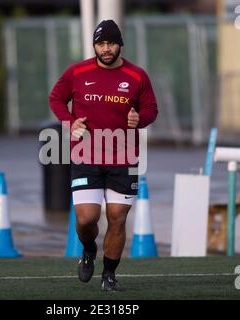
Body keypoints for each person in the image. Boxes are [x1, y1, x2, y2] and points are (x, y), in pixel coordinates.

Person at [49, 19, 158, 291]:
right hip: (86, 156)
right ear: (95, 46)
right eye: (100, 43)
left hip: (124, 158)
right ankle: (88, 250)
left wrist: (139, 119)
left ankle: (109, 275)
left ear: (120, 44)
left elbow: (151, 109)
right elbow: (56, 98)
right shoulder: (77, 72)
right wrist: (69, 122)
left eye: (110, 43)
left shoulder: (137, 76)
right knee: (86, 219)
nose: (106, 49)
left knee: (117, 217)